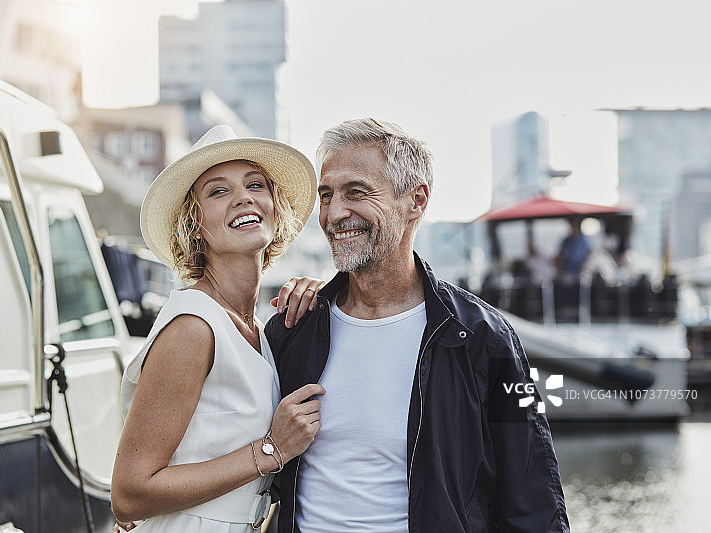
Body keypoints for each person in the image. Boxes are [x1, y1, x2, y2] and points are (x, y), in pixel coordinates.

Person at [266, 118, 570, 532]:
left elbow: (532, 496)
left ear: (416, 201)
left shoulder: (485, 339)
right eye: (326, 195)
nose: (334, 213)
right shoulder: (292, 326)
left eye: (356, 192)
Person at [111, 125, 326, 532]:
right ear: (195, 223)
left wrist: (324, 294)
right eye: (218, 191)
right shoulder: (193, 326)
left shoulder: (257, 328)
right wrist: (272, 448)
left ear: (274, 206)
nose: (243, 197)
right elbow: (129, 494)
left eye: (255, 184)